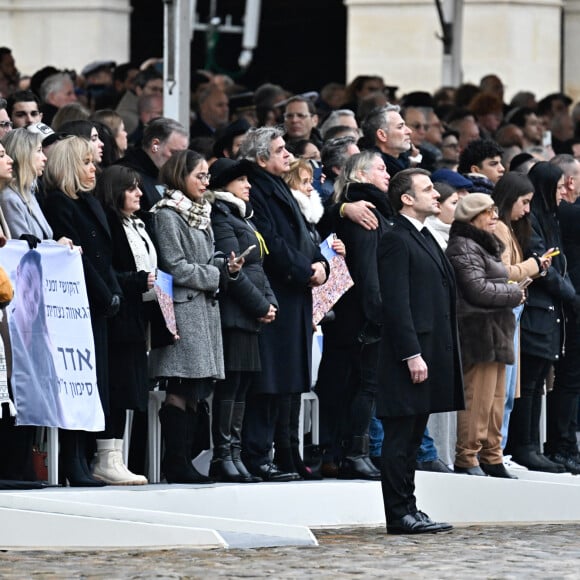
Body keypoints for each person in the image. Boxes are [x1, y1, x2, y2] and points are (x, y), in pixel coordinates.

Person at [238, 127, 328, 482]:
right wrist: (306, 269)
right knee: (269, 379)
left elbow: (305, 236)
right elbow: (271, 242)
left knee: (288, 378)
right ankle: (259, 454)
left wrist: (323, 264)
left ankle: (284, 452)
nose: (288, 155)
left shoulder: (276, 185)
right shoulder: (257, 189)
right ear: (262, 158)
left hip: (295, 293)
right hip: (276, 292)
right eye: (280, 150)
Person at [377, 168, 464, 534]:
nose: (436, 195)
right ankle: (398, 514)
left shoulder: (423, 236)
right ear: (406, 199)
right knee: (400, 437)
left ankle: (410, 506)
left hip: (429, 349)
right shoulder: (396, 238)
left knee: (413, 436)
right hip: (408, 354)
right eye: (427, 189)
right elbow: (396, 303)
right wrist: (411, 353)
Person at [149, 150, 242, 483]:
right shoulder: (168, 214)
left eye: (207, 176)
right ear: (179, 176)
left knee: (195, 390)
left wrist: (225, 267)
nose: (206, 182)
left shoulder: (200, 212)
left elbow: (209, 258)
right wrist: (216, 275)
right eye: (199, 175)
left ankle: (184, 461)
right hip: (183, 311)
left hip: (203, 310)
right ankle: (176, 463)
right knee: (180, 386)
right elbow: (174, 265)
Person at [43, 135, 123, 487]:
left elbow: (107, 257)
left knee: (92, 384)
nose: (94, 169)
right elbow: (78, 259)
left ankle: (83, 459)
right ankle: (71, 461)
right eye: (86, 163)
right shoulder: (59, 204)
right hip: (78, 305)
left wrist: (114, 291)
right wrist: (106, 294)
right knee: (75, 383)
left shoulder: (91, 203)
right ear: (68, 166)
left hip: (100, 303)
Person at [317, 151, 391, 481]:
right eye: (381, 168)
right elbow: (368, 269)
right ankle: (354, 454)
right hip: (361, 313)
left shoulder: (360, 208)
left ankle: (339, 453)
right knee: (363, 384)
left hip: (349, 312)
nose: (387, 174)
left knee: (347, 384)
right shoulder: (365, 211)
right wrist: (377, 314)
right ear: (359, 175)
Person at [208, 157, 278, 483]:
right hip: (235, 315)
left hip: (250, 315)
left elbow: (257, 267)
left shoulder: (241, 217)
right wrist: (260, 305)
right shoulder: (221, 216)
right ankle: (222, 455)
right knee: (230, 385)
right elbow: (232, 269)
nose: (248, 186)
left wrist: (270, 303)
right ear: (225, 184)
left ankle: (234, 453)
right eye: (241, 181)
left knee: (242, 386)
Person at [446, 193, 524, 478]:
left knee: (494, 400)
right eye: (487, 212)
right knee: (477, 399)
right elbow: (476, 289)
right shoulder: (463, 246)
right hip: (478, 332)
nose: (494, 217)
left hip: (496, 329)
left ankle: (492, 455)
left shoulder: (481, 245)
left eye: (494, 210)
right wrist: (515, 293)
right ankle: (467, 457)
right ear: (472, 216)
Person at [506, 162, 575, 472]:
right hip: (537, 308)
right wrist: (572, 296)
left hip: (551, 310)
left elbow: (557, 266)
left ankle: (532, 445)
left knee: (537, 381)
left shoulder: (550, 219)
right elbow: (543, 268)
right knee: (530, 382)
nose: (565, 193)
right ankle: (524, 446)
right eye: (559, 187)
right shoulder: (533, 221)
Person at [93, 165, 157, 485]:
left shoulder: (137, 223)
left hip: (137, 315)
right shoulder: (110, 223)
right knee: (117, 387)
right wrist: (137, 280)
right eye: (131, 188)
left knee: (129, 388)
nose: (139, 194)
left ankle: (117, 456)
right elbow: (108, 271)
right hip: (118, 316)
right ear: (115, 190)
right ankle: (106, 457)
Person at [492, 172, 550, 460]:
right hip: (503, 310)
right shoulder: (500, 228)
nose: (527, 210)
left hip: (513, 306)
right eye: (524, 202)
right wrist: (533, 265)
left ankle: (497, 451)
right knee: (502, 389)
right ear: (508, 199)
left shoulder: (510, 227)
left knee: (509, 390)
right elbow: (503, 273)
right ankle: (492, 451)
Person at [8, 250, 63, 427]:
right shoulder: (6, 335)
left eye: (37, 294)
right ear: (18, 273)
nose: (32, 297)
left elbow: (57, 407)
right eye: (29, 282)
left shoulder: (44, 350)